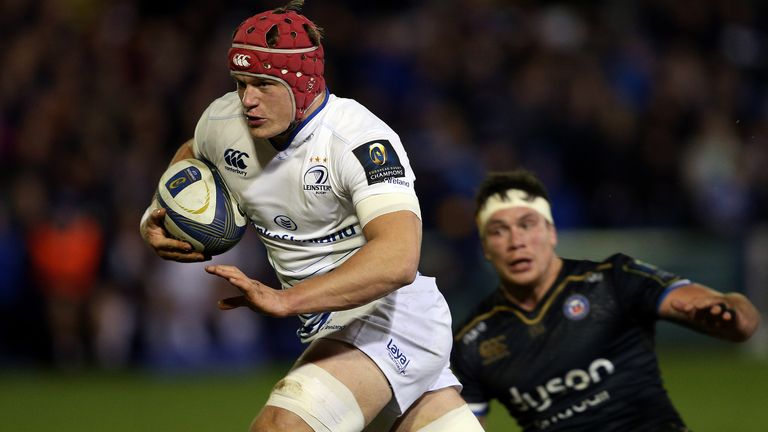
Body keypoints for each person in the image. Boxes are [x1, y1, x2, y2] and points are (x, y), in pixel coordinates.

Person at [139, 1, 483, 431]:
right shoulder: (224, 119)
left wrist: (287, 300)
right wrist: (158, 210)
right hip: (331, 327)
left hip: (391, 320)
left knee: (280, 427)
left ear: (302, 83)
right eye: (241, 82)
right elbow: (193, 152)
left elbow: (398, 258)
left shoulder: (359, 140)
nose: (247, 99)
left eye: (263, 84)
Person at [451, 169, 761, 432]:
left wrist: (733, 313)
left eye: (527, 224)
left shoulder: (613, 280)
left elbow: (738, 318)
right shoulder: (473, 342)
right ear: (485, 248)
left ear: (551, 232)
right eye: (499, 231)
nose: (516, 241)